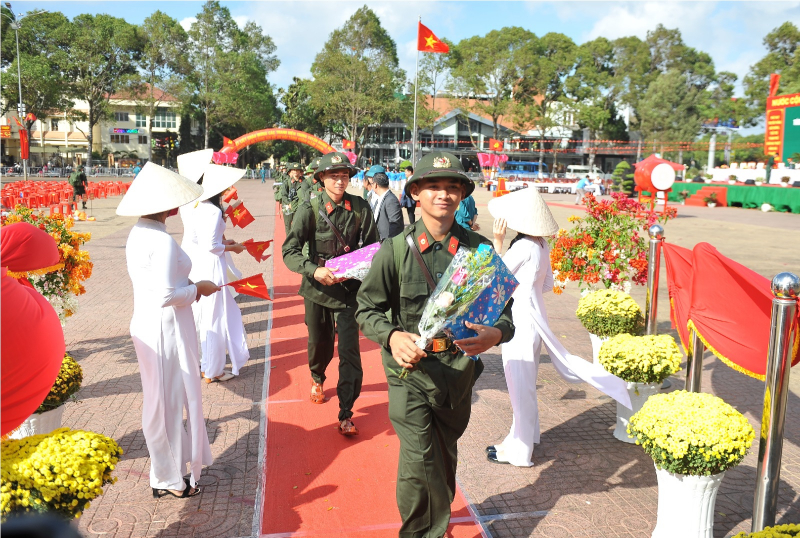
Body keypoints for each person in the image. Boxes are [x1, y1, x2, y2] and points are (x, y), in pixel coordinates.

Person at [355, 151, 515, 536]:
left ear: (461, 195)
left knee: (443, 454)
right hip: (409, 374)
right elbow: (367, 308)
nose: (442, 194)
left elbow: (504, 312)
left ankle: (437, 523)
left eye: (451, 187)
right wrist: (392, 336)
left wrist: (497, 334)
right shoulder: (394, 250)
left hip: (458, 375)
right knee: (417, 463)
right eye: (433, 187)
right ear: (415, 193)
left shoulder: (480, 253)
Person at [117, 162, 218, 499]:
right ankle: (170, 477)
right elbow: (165, 296)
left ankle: (165, 472)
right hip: (163, 328)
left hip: (150, 324)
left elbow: (158, 284)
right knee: (168, 403)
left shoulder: (140, 232)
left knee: (160, 401)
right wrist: (197, 289)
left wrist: (186, 284)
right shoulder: (158, 239)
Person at [282, 152, 378, 435]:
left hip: (350, 291)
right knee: (320, 342)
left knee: (350, 352)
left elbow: (373, 248)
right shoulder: (309, 208)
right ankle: (317, 376)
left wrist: (363, 270)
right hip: (317, 289)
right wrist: (313, 270)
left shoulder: (360, 207)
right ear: (321, 178)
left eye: (345, 175)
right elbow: (289, 251)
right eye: (334, 175)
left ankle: (346, 412)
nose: (340, 180)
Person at [184, 162, 250, 383]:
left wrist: (225, 242)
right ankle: (213, 369)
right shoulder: (212, 211)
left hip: (202, 264)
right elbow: (211, 246)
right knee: (215, 316)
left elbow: (200, 240)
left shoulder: (197, 206)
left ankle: (207, 364)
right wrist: (233, 247)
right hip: (212, 265)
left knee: (206, 315)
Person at [371, 171, 404, 240]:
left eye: (372, 184)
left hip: (387, 242)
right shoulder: (379, 199)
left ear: (375, 185)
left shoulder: (391, 200)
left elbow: (395, 225)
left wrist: (389, 244)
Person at [278, 163, 306, 236]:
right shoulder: (287, 182)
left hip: (299, 206)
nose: (296, 173)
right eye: (293, 171)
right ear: (289, 173)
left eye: (297, 171)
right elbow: (284, 194)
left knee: (300, 224)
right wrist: (288, 203)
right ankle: (289, 241)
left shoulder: (304, 182)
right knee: (288, 225)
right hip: (288, 206)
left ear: (301, 172)